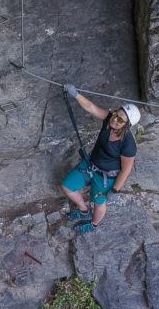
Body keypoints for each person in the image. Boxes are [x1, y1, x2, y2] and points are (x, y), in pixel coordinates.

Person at [60, 85, 140, 234]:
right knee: (67, 186)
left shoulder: (128, 144)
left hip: (106, 177)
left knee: (98, 203)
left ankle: (94, 223)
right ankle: (83, 210)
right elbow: (91, 107)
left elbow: (126, 170)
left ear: (127, 125)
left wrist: (114, 190)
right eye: (116, 114)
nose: (115, 120)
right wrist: (75, 94)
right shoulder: (109, 120)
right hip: (91, 164)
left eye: (120, 120)